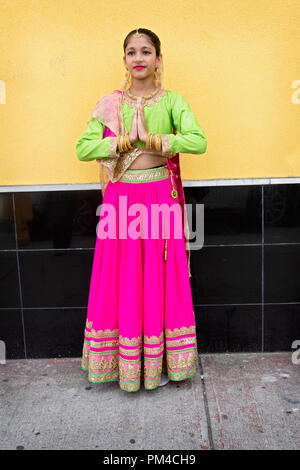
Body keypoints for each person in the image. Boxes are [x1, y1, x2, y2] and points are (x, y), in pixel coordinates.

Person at [75, 28, 207, 392]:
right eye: (131, 52)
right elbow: (83, 148)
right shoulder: (110, 104)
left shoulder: (172, 101)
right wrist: (125, 140)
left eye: (145, 51)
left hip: (159, 197)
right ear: (124, 60)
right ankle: (123, 363)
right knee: (122, 274)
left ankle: (158, 363)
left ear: (158, 59)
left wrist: (157, 139)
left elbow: (198, 140)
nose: (138, 58)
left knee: (159, 275)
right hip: (121, 201)